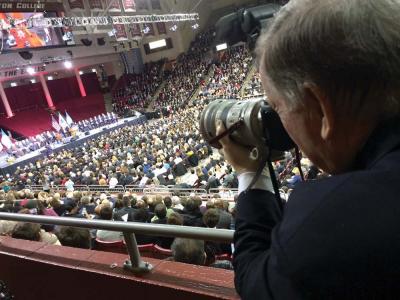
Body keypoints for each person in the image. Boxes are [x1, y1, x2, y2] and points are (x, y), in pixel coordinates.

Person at [216, 0, 400, 299]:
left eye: (276, 107)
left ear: (320, 108)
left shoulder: (334, 223)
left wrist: (251, 174)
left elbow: (254, 280)